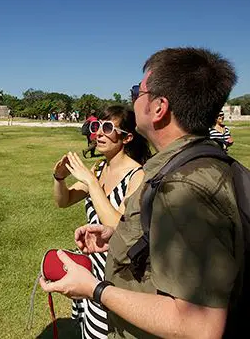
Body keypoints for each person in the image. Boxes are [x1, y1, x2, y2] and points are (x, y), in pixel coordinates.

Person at [41, 47, 242, 338]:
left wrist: (97, 290)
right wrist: (118, 236)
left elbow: (200, 326)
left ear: (158, 108)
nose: (133, 98)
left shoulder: (184, 188)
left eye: (138, 91)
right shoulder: (175, 170)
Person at [52, 105, 151, 339]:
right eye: (97, 127)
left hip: (118, 273)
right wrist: (58, 177)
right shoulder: (98, 170)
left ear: (126, 137)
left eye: (107, 128)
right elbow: (63, 201)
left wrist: (90, 181)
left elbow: (120, 226)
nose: (98, 133)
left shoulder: (137, 176)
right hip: (92, 268)